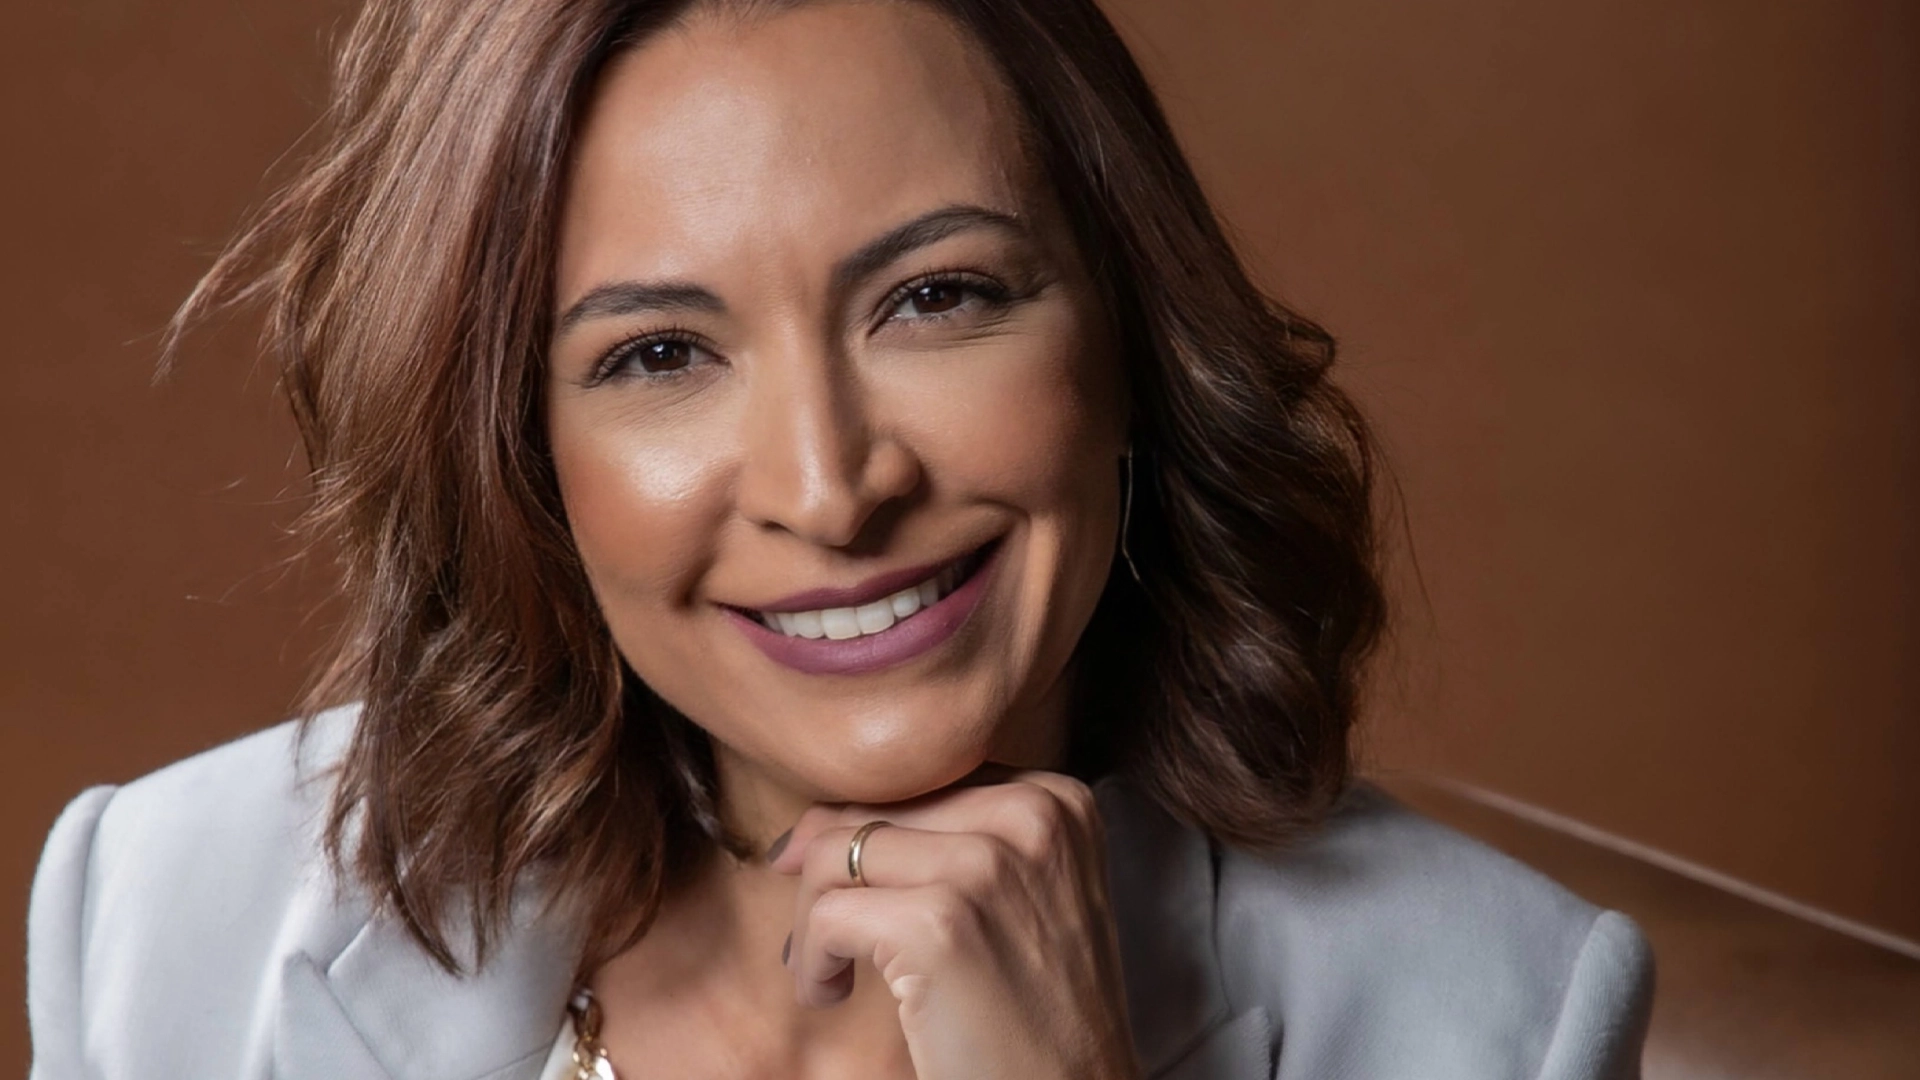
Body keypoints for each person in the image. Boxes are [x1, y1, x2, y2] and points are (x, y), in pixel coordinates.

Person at [25, 1, 1655, 1077]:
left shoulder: (1494, 1017)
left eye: (935, 297)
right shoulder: (164, 919)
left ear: (1131, 347)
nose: (829, 487)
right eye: (658, 355)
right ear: (518, 455)